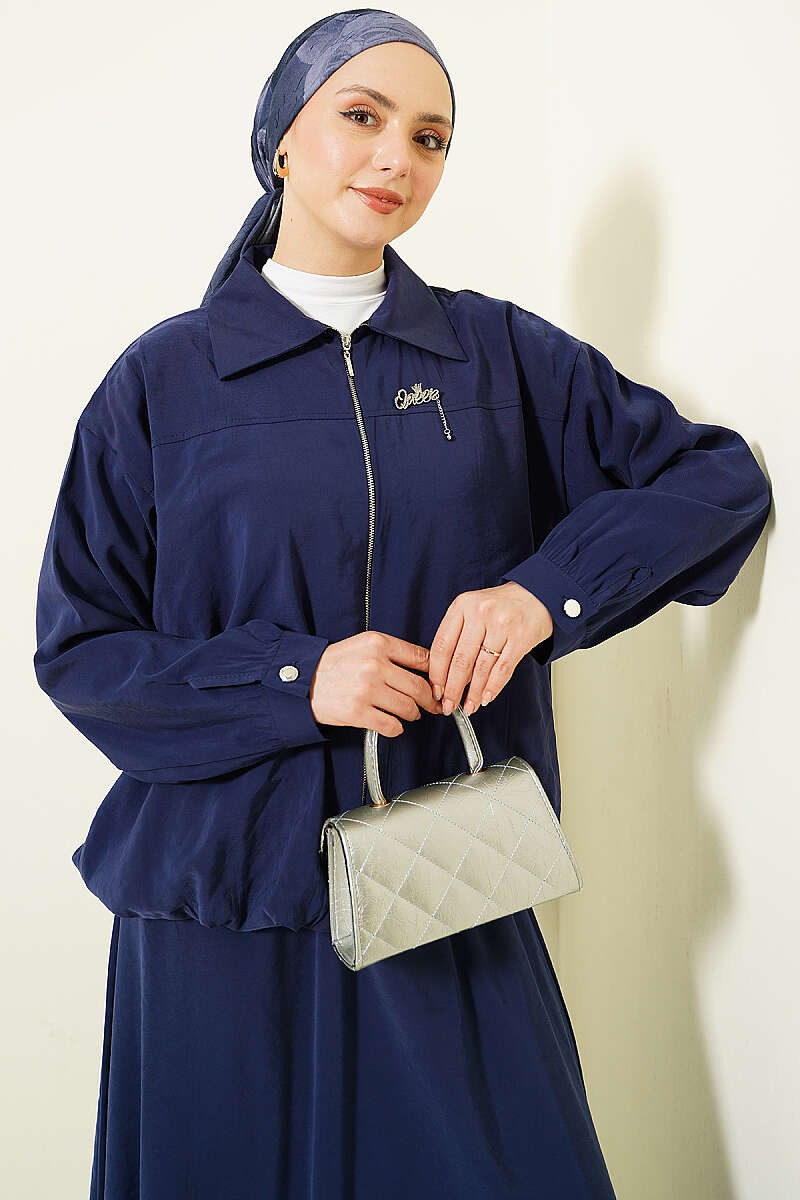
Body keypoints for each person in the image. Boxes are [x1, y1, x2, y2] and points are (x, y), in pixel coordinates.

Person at [32, 9, 771, 1199]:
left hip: (444, 882)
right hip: (220, 905)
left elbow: (714, 481)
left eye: (429, 138)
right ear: (281, 140)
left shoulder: (495, 357)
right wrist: (294, 679)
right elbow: (84, 650)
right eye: (361, 117)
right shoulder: (162, 383)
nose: (395, 158)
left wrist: (541, 596)